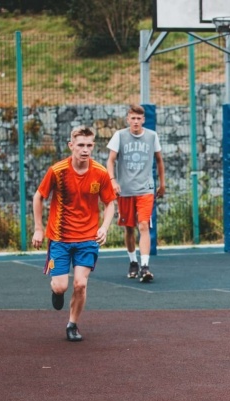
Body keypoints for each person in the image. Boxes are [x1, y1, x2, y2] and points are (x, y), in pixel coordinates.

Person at [32, 126, 117, 342]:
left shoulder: (100, 172)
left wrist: (104, 227)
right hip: (60, 238)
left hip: (88, 238)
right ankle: (57, 292)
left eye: (89, 145)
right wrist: (39, 229)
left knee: (80, 283)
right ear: (71, 146)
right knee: (61, 286)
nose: (85, 150)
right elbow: (38, 197)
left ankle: (72, 324)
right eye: (80, 145)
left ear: (93, 146)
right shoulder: (57, 171)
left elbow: (109, 203)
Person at [106, 104, 165, 283]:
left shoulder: (152, 136)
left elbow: (159, 160)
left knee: (144, 225)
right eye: (133, 118)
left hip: (145, 189)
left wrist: (162, 183)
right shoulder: (120, 136)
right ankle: (133, 262)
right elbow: (110, 160)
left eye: (139, 118)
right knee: (129, 228)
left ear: (143, 120)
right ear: (128, 119)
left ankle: (145, 266)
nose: (136, 121)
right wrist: (112, 180)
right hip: (125, 190)